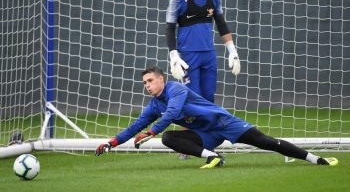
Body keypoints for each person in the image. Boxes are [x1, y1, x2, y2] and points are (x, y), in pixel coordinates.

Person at [95, 67, 339, 168]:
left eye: (150, 81)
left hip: (224, 123)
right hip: (205, 135)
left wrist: (151, 132)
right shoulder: (153, 105)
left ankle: (317, 159)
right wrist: (111, 142)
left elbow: (171, 114)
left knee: (266, 142)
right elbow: (136, 125)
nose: (147, 86)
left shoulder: (175, 90)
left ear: (161, 79)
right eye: (144, 83)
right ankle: (213, 157)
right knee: (170, 138)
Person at [166, 0, 240, 103]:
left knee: (209, 99)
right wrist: (174, 56)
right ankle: (189, 127)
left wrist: (233, 51)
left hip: (208, 54)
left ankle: (208, 126)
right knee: (192, 101)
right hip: (188, 56)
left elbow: (221, 24)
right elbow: (169, 28)